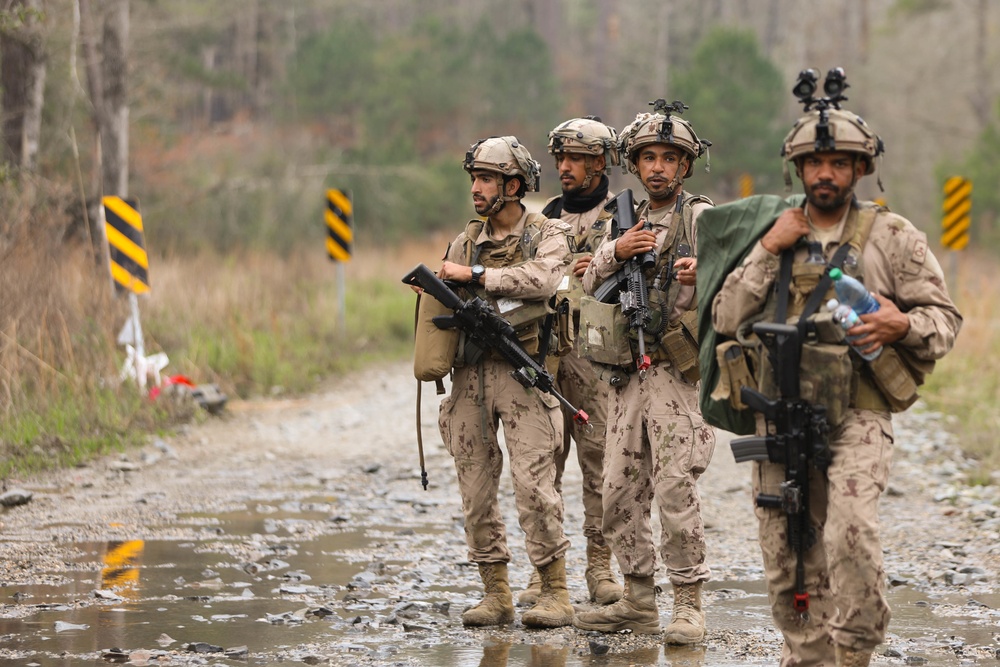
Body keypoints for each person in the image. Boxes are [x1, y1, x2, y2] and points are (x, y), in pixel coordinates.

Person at [707, 70, 962, 667]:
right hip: (778, 416)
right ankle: (807, 656)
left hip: (858, 412)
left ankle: (852, 654)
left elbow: (944, 321)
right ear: (798, 169)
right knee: (785, 555)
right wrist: (769, 249)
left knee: (849, 532)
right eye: (815, 162)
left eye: (840, 163)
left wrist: (901, 324)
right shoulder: (771, 234)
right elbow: (724, 316)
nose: (826, 173)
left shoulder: (893, 237)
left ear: (860, 169)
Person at [574, 101, 717, 644]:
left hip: (674, 373)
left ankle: (687, 603)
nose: (658, 167)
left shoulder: (698, 217)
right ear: (635, 164)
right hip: (624, 373)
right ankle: (636, 601)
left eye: (670, 159)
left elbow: (744, 273)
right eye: (648, 158)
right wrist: (617, 250)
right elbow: (584, 284)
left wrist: (704, 271)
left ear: (685, 166)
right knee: (617, 489)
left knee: (676, 486)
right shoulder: (620, 217)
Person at [436, 136, 576, 629]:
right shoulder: (465, 240)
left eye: (486, 179)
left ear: (512, 186)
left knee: (535, 487)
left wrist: (474, 276)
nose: (476, 188)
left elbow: (542, 280)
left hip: (525, 373)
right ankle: (496, 592)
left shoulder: (548, 233)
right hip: (471, 375)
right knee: (474, 491)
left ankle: (555, 591)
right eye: (474, 178)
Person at [515, 117, 624, 610]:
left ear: (600, 163)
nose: (564, 166)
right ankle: (545, 572)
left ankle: (600, 566)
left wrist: (606, 262)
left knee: (601, 466)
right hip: (548, 355)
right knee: (541, 467)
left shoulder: (623, 217)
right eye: (560, 158)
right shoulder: (542, 221)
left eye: (575, 159)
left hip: (599, 359)